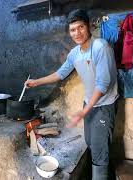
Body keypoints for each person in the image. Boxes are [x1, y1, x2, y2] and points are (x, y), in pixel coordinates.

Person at [25, 9, 118, 180]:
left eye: (80, 27)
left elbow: (103, 84)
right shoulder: (74, 53)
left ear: (88, 26)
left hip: (103, 106)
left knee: (99, 149)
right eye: (73, 30)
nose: (77, 33)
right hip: (88, 104)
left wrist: (84, 111)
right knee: (91, 144)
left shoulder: (101, 47)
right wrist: (36, 82)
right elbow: (60, 74)